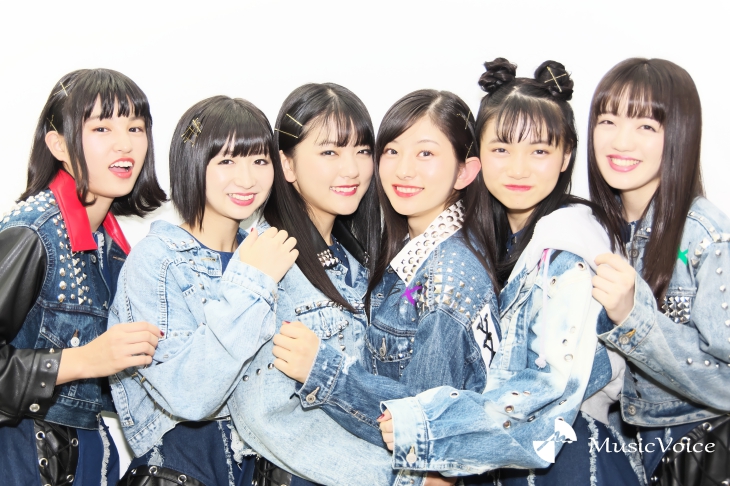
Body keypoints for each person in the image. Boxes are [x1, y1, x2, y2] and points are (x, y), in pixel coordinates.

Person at [377, 58, 644, 485]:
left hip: (570, 463)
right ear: (478, 155)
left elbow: (548, 389)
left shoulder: (568, 250)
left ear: (565, 156)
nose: (518, 168)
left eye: (539, 151)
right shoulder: (490, 238)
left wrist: (431, 431)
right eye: (501, 149)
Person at [271, 89, 497, 455]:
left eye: (426, 153)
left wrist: (322, 369)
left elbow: (424, 426)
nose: (404, 169)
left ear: (464, 171)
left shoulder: (447, 275)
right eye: (391, 151)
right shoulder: (403, 253)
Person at [225, 83, 427, 486]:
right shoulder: (267, 259)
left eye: (362, 151)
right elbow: (264, 413)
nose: (351, 169)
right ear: (287, 165)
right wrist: (396, 476)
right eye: (329, 152)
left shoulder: (357, 259)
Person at [108, 96, 298, 486]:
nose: (247, 179)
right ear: (192, 163)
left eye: (259, 161)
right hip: (179, 471)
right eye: (226, 161)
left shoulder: (268, 253)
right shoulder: (159, 260)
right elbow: (189, 395)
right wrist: (254, 283)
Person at [0, 68, 166, 485]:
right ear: (58, 144)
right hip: (22, 459)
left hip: (86, 458)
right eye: (102, 128)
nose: (124, 144)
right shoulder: (32, 232)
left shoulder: (115, 247)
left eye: (135, 127)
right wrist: (83, 361)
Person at [588, 58, 730, 485]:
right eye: (608, 120)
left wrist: (633, 319)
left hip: (698, 450)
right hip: (635, 451)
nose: (621, 141)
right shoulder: (595, 232)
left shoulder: (705, 236)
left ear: (680, 134)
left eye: (646, 126)